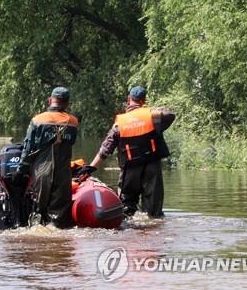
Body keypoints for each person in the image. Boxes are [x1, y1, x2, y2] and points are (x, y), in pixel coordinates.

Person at [80, 86, 175, 218]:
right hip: (152, 168)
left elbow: (104, 151)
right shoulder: (153, 118)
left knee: (127, 210)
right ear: (144, 100)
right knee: (153, 214)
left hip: (130, 171)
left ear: (129, 99)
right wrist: (148, 111)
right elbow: (170, 115)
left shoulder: (120, 124)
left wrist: (89, 170)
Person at [14, 87, 79, 228]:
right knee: (59, 217)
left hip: (42, 172)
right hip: (63, 174)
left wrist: (22, 170)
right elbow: (72, 142)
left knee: (39, 211)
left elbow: (28, 148)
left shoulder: (38, 120)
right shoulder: (73, 122)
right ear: (67, 103)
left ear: (50, 100)